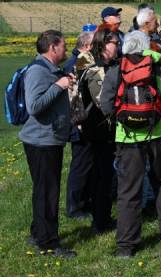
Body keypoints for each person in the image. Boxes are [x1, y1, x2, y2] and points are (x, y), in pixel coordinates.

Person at [100, 30, 161, 257]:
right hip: (160, 132)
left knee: (128, 190)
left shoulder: (117, 69)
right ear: (147, 46)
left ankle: (126, 245)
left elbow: (106, 105)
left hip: (128, 137)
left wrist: (124, 117)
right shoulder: (160, 67)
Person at [21, 30, 76, 258]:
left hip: (49, 139)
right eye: (63, 45)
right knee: (48, 193)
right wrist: (59, 86)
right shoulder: (37, 71)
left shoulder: (51, 70)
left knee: (43, 190)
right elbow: (34, 106)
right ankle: (48, 243)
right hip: (41, 141)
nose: (66, 49)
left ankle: (38, 233)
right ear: (52, 47)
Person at [77, 29, 119, 234]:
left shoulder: (101, 64)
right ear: (103, 45)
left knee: (104, 174)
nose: (118, 47)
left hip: (101, 128)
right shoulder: (94, 68)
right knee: (101, 175)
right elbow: (103, 101)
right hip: (98, 128)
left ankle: (102, 216)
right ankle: (100, 220)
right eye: (115, 43)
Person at [63, 31, 94, 219]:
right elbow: (74, 97)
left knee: (86, 163)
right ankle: (75, 208)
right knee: (80, 166)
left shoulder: (79, 60)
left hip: (83, 121)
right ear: (87, 46)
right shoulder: (77, 63)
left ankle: (84, 202)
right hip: (79, 123)